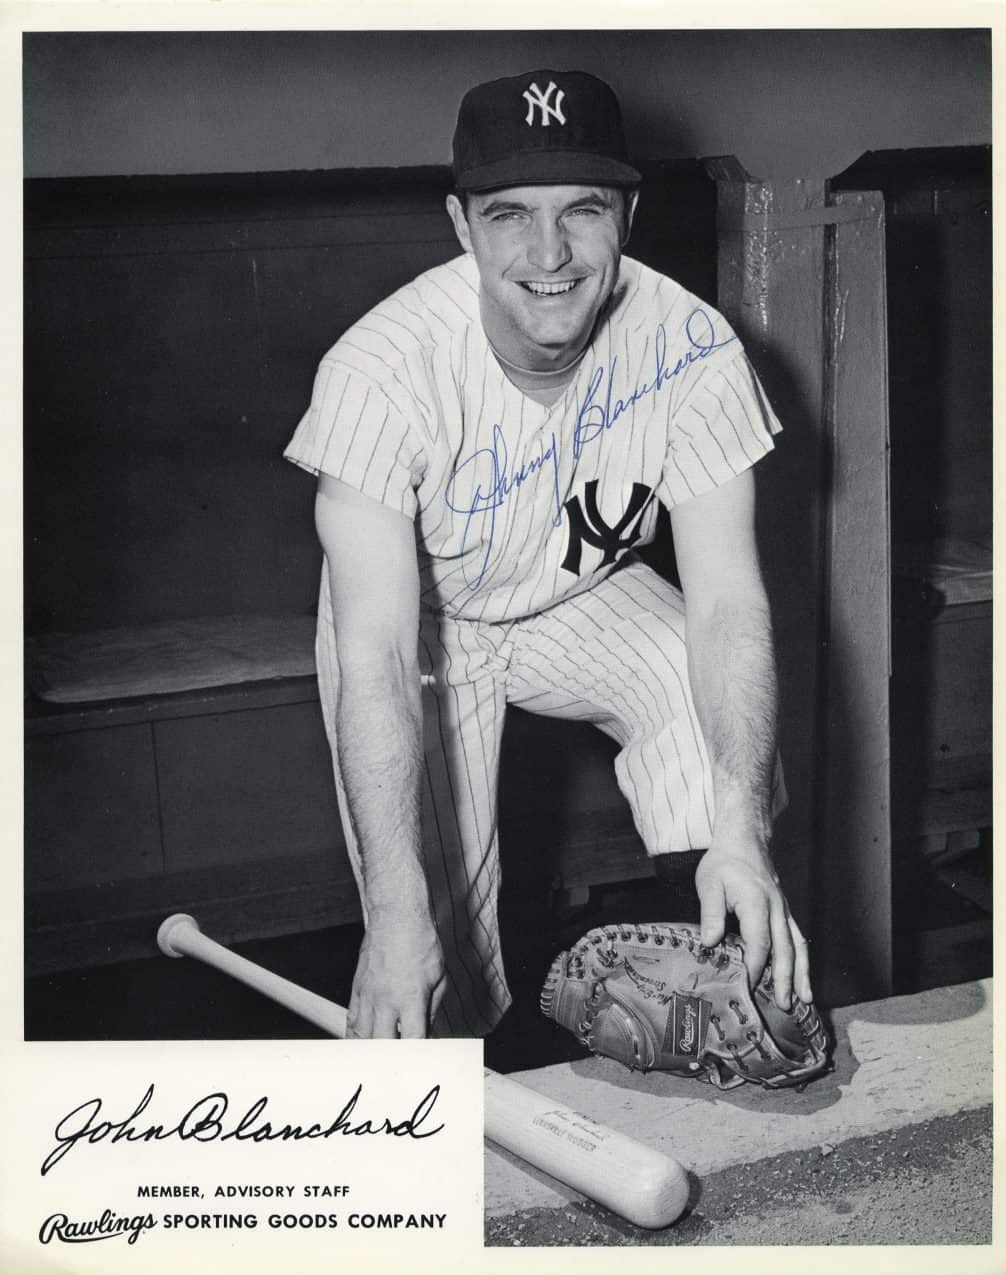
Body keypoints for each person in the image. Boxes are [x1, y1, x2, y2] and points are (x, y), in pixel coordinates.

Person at [284, 69, 813, 1040]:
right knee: (436, 953)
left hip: (576, 598)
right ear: (459, 224)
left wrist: (741, 829)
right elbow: (376, 661)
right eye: (508, 215)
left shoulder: (689, 348)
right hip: (429, 628)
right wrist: (395, 919)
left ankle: (716, 985)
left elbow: (728, 606)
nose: (549, 253)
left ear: (629, 213)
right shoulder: (378, 374)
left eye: (583, 209)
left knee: (693, 697)